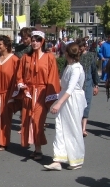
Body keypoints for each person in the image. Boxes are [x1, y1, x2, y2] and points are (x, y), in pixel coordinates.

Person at [12, 30, 61, 160]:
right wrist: (22, 86)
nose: (35, 43)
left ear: (42, 41)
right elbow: (19, 75)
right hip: (29, 92)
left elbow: (53, 75)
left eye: (37, 40)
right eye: (33, 40)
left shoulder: (49, 57)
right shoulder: (25, 58)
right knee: (28, 119)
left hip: (42, 93)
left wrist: (49, 95)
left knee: (38, 120)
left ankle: (38, 149)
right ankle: (35, 148)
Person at [44, 43, 86, 171]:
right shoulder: (69, 67)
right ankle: (58, 159)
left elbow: (71, 89)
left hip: (73, 101)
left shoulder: (76, 69)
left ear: (67, 53)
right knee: (61, 127)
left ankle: (76, 158)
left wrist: (58, 103)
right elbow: (63, 85)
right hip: (65, 98)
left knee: (73, 129)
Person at [77, 39, 99, 137]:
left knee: (86, 105)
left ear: (85, 47)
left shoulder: (90, 56)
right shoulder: (75, 56)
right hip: (77, 86)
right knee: (77, 107)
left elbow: (94, 71)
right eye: (78, 47)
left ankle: (83, 128)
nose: (80, 49)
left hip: (88, 84)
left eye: (81, 47)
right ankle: (77, 127)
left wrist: (96, 85)